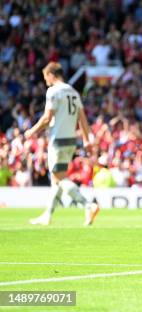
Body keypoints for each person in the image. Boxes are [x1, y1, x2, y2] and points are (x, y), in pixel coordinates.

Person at [25, 62, 100, 226]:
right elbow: (83, 119)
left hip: (57, 139)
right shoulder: (73, 92)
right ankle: (47, 215)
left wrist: (32, 131)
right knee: (56, 180)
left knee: (59, 179)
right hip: (70, 140)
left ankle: (89, 205)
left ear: (51, 74)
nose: (46, 81)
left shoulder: (53, 91)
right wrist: (87, 140)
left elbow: (47, 118)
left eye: (46, 77)